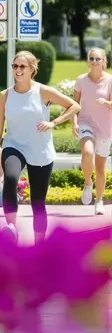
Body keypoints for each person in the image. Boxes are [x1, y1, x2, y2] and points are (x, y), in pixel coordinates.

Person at [0, 51, 80, 243]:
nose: (18, 70)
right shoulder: (4, 96)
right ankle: (12, 228)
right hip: (13, 145)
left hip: (39, 150)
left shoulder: (43, 91)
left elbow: (74, 106)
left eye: (22, 66)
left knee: (38, 202)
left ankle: (39, 246)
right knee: (10, 178)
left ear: (32, 69)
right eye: (15, 66)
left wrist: (54, 122)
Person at [72, 47, 112, 214]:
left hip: (105, 127)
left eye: (97, 58)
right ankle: (88, 183)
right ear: (88, 61)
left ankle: (99, 201)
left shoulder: (110, 80)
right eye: (91, 58)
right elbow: (74, 105)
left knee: (101, 167)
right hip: (85, 123)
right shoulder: (81, 80)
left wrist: (106, 102)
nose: (94, 61)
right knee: (87, 152)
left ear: (103, 61)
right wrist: (74, 122)